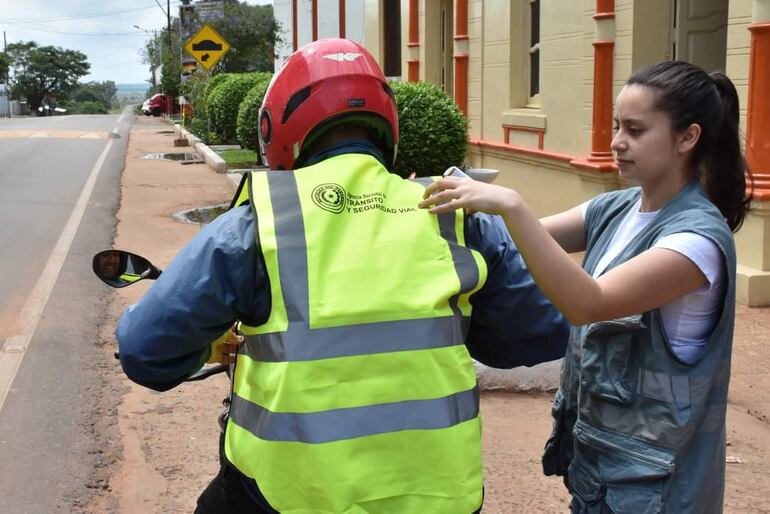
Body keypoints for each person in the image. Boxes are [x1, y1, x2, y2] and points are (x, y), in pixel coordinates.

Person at [116, 38, 569, 514]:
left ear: (276, 129)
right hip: (440, 496)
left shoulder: (257, 224)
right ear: (386, 126)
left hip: (286, 497)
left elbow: (146, 352)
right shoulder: (456, 215)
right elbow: (538, 335)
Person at [420, 60, 752, 513]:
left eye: (635, 130)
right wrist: (443, 202)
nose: (617, 142)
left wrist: (511, 206)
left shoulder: (696, 241)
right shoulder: (616, 208)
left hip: (659, 488)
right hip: (602, 473)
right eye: (617, 126)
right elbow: (524, 243)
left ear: (687, 138)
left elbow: (588, 303)